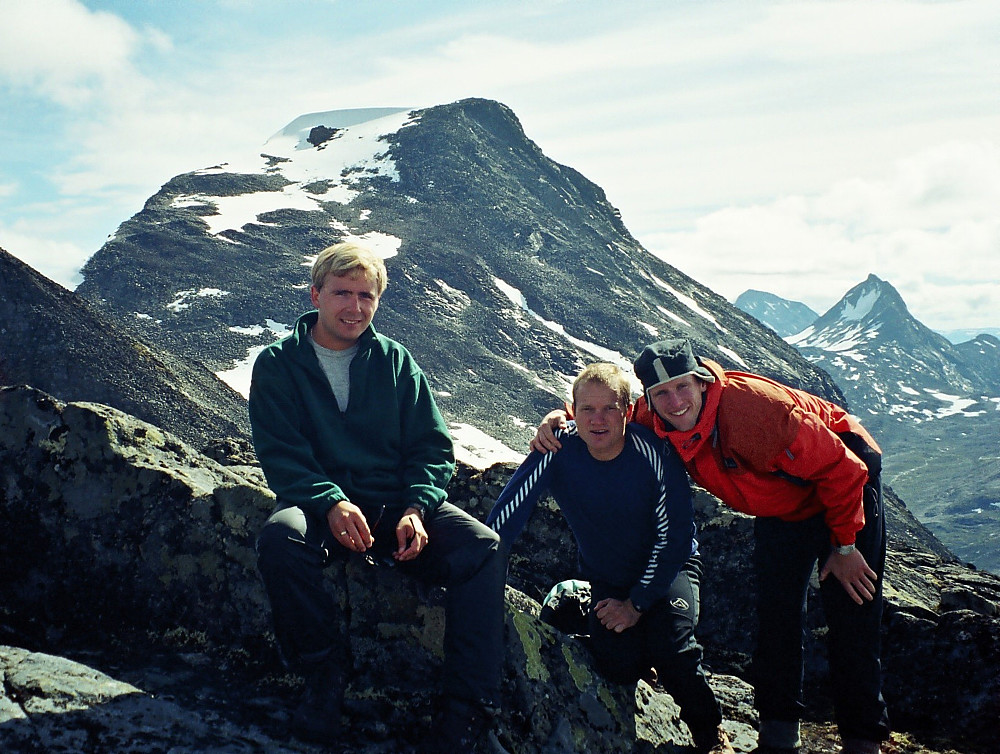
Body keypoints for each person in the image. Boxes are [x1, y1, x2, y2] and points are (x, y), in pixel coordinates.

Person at [532, 339, 889, 754]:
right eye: (661, 393)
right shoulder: (648, 416)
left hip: (843, 481)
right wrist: (555, 418)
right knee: (777, 615)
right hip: (782, 504)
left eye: (683, 386)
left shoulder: (757, 411)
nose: (675, 401)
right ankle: (779, 738)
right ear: (647, 400)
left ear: (702, 382)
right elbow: (598, 406)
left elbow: (843, 467)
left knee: (853, 609)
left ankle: (863, 742)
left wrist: (844, 546)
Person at [250, 242, 506, 752]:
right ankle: (323, 671)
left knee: (482, 548)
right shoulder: (279, 364)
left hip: (391, 504)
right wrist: (330, 502)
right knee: (281, 540)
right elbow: (281, 453)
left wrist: (416, 508)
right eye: (343, 293)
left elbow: (432, 447)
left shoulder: (395, 361)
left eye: (367, 296)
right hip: (319, 504)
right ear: (316, 294)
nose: (355, 307)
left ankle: (466, 710)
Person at [488, 363, 734, 754]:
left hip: (670, 569)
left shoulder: (653, 453)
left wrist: (635, 605)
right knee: (616, 665)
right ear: (573, 411)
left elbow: (674, 539)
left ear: (627, 409)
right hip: (609, 577)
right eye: (587, 409)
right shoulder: (558, 449)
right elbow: (508, 513)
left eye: (609, 409)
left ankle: (710, 734)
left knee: (673, 649)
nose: (598, 420)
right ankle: (602, 616)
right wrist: (483, 574)